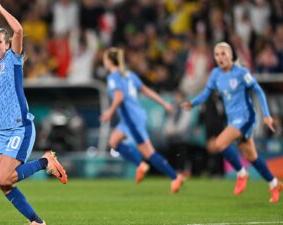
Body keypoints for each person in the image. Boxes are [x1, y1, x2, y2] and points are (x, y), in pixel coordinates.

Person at [0, 1, 67, 224]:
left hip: (21, 127)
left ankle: (46, 162)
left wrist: (0, 7)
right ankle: (36, 221)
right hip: (2, 132)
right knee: (3, 183)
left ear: (7, 46)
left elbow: (18, 30)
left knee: (3, 177)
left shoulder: (13, 60)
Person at [182, 42, 283, 203]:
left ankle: (242, 173)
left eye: (223, 54)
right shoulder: (215, 74)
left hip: (246, 117)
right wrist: (192, 103)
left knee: (220, 142)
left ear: (231, 55)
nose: (220, 57)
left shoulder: (241, 72)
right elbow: (206, 93)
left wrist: (267, 115)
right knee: (252, 157)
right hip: (233, 119)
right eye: (217, 54)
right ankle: (274, 183)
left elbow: (258, 90)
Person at [100, 47, 183, 192]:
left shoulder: (113, 77)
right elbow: (146, 90)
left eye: (105, 60)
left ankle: (174, 177)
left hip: (132, 119)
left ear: (109, 61)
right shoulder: (129, 75)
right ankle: (140, 165)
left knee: (149, 153)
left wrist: (109, 112)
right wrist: (163, 103)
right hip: (131, 118)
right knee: (113, 141)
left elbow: (119, 97)